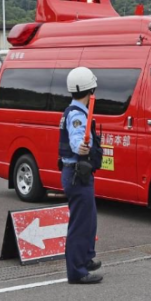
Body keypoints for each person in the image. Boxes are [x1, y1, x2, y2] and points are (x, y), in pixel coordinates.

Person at [59, 67, 104, 284]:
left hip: (79, 174)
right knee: (80, 224)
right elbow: (77, 139)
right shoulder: (77, 115)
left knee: (89, 220)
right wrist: (82, 147)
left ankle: (86, 258)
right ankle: (77, 271)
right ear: (90, 89)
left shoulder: (76, 110)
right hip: (77, 174)